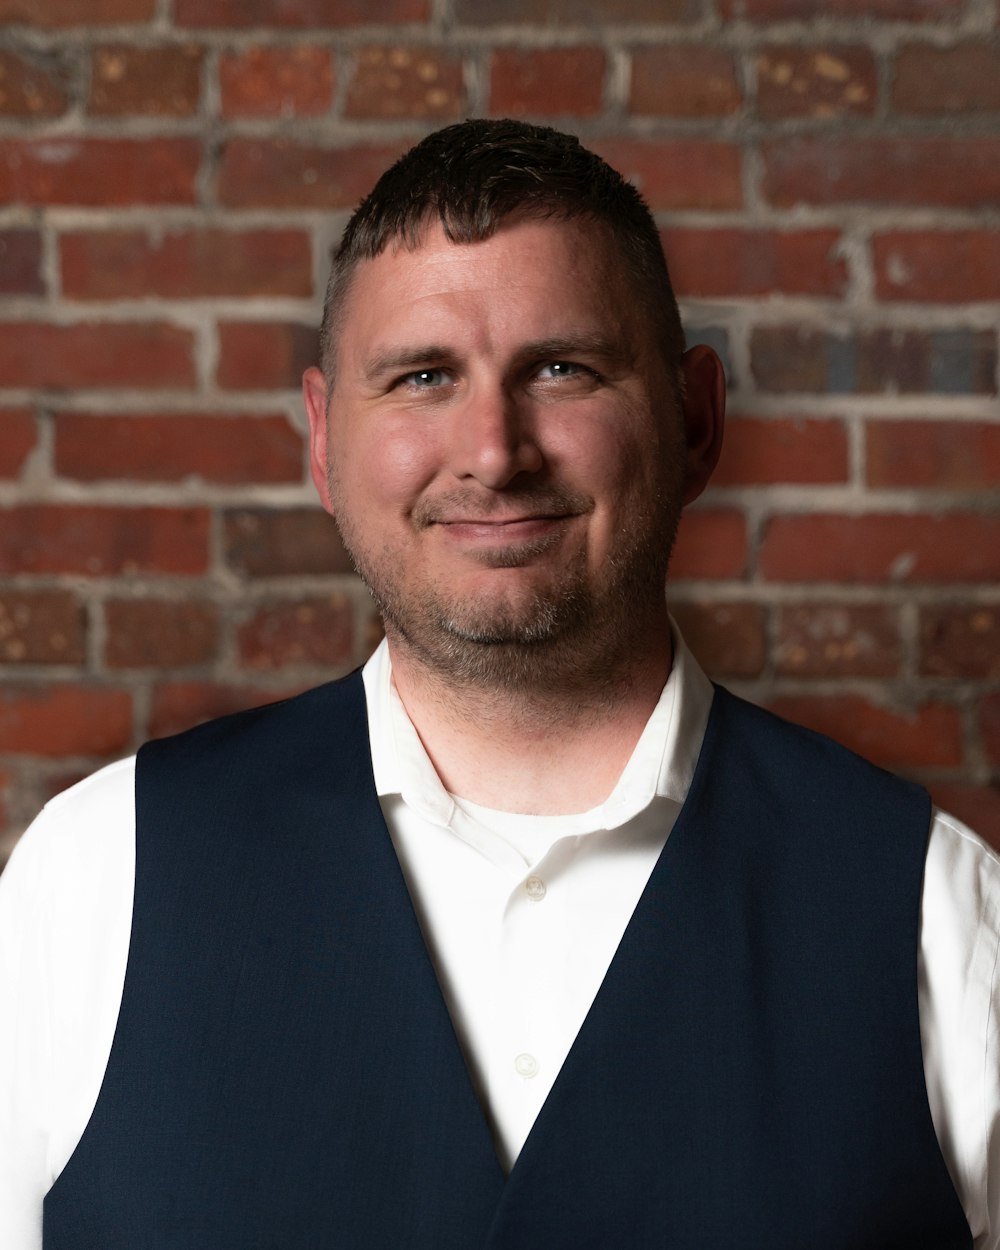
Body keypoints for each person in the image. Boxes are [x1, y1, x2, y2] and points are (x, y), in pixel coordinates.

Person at [0, 119, 997, 1248]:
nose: (492, 448)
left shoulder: (936, 911)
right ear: (324, 444)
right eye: (423, 376)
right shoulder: (94, 878)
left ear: (696, 418)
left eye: (561, 368)